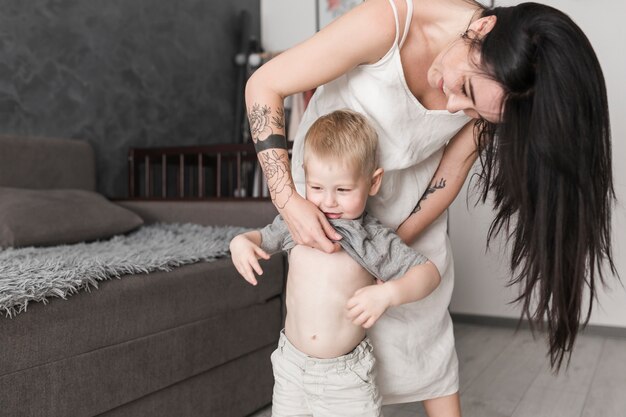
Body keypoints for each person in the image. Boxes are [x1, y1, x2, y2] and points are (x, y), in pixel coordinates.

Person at [245, 1, 617, 416]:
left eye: (478, 112)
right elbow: (264, 85)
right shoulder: (387, 21)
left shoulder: (500, 89)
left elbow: (452, 172)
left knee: (425, 352)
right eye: (467, 92)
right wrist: (288, 201)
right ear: (483, 29)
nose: (459, 109)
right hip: (324, 199)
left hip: (408, 215)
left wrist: (385, 250)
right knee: (325, 341)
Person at [230, 109, 442, 417]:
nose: (328, 202)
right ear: (305, 175)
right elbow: (258, 238)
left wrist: (388, 294)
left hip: (345, 378)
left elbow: (428, 274)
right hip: (291, 365)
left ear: (373, 182)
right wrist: (240, 243)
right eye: (316, 188)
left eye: (342, 190)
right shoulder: (298, 223)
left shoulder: (370, 239)